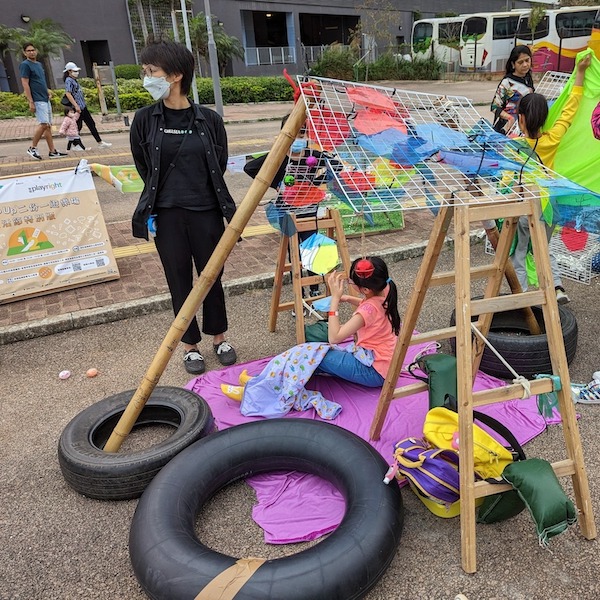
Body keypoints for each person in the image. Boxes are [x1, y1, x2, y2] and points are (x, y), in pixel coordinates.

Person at [130, 40, 237, 375]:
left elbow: (218, 163)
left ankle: (219, 337)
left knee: (211, 277)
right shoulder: (145, 119)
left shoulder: (209, 120)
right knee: (179, 279)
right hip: (168, 215)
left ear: (175, 75)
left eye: (152, 72)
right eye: (146, 72)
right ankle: (189, 346)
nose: (147, 78)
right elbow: (143, 166)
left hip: (207, 212)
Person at [221, 256, 401, 411]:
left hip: (373, 371)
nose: (349, 284)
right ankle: (263, 380)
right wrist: (348, 297)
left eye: (352, 282)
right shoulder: (385, 288)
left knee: (308, 355)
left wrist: (336, 300)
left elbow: (334, 337)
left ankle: (257, 390)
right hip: (382, 364)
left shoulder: (367, 310)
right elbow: (370, 306)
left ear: (366, 290)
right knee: (307, 353)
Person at [511, 53, 592, 303]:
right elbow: (570, 108)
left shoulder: (514, 146)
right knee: (544, 250)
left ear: (520, 118)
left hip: (526, 206)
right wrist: (579, 72)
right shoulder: (553, 137)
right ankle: (556, 288)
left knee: (520, 252)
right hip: (550, 206)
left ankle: (523, 297)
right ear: (546, 118)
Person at [243, 115, 341, 312]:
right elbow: (250, 167)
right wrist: (276, 185)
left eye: (303, 133)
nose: (299, 137)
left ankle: (314, 290)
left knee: (312, 247)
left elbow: (336, 166)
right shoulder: (279, 157)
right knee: (294, 253)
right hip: (286, 211)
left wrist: (314, 185)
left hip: (309, 210)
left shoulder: (313, 155)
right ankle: (300, 298)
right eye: (294, 133)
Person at [19, 42, 67, 160]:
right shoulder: (25, 65)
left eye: (33, 50)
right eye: (29, 50)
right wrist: (31, 101)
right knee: (44, 124)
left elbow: (40, 81)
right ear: (25, 53)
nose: (31, 52)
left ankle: (52, 151)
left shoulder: (39, 65)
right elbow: (25, 83)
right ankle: (32, 148)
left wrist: (47, 91)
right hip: (37, 99)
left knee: (48, 126)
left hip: (45, 98)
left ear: (36, 51)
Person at [63, 62, 112, 148]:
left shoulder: (73, 80)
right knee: (77, 126)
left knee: (90, 124)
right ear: (69, 71)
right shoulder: (69, 80)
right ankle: (75, 144)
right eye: (75, 71)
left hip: (82, 107)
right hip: (77, 108)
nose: (77, 72)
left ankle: (99, 142)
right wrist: (76, 106)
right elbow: (68, 93)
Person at [490, 45, 534, 135]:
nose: (525, 64)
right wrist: (510, 118)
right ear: (513, 64)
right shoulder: (507, 83)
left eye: (527, 60)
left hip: (524, 127)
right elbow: (494, 107)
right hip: (508, 129)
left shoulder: (528, 78)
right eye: (520, 62)